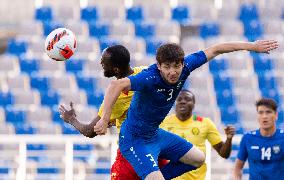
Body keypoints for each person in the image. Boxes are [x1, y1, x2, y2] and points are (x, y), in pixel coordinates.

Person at [94, 40, 278, 180]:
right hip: (133, 139)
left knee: (198, 158)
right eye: (167, 67)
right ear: (159, 66)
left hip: (154, 135)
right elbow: (115, 85)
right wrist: (104, 119)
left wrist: (252, 46)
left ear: (182, 63)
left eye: (176, 66)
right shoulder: (149, 78)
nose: (172, 72)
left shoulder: (187, 67)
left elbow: (216, 49)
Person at [59, 44, 167, 180]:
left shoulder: (116, 98)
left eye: (104, 62)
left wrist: (71, 119)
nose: (101, 63)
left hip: (132, 152)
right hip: (157, 148)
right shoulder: (145, 73)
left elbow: (90, 131)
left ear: (116, 69)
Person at [160, 89, 235, 180]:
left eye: (187, 99)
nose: (183, 102)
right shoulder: (163, 123)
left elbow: (224, 154)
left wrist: (229, 139)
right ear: (175, 103)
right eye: (179, 99)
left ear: (193, 104)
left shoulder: (205, 123)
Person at [233, 98, 284, 180]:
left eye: (268, 112)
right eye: (260, 112)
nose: (264, 116)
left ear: (276, 115)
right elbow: (237, 168)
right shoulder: (248, 138)